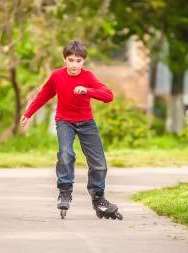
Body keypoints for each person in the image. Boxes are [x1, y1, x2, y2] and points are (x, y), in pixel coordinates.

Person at [20, 40, 122, 220]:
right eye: (71, 60)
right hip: (65, 122)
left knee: (99, 163)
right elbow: (43, 95)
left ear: (84, 61)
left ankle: (98, 198)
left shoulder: (88, 77)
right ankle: (65, 192)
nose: (75, 64)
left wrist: (87, 91)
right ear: (64, 59)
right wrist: (29, 114)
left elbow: (108, 96)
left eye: (79, 61)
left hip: (87, 123)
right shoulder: (57, 76)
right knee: (66, 154)